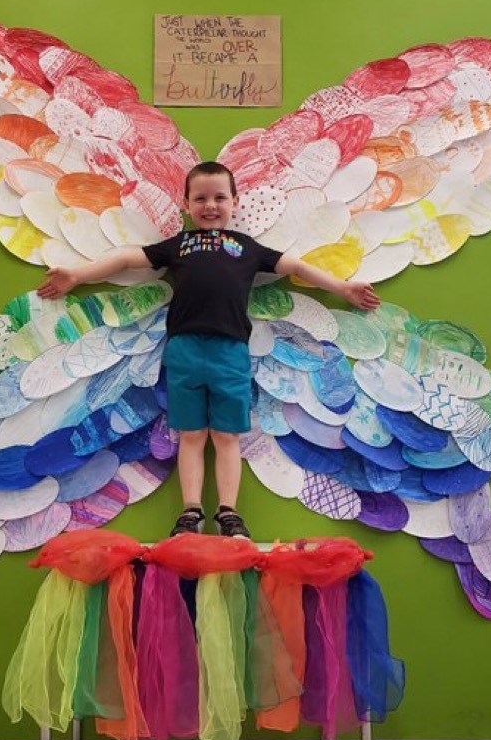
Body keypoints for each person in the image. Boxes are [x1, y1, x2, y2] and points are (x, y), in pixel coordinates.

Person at [37, 161, 379, 538]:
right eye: (200, 198)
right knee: (192, 434)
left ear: (235, 202)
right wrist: (77, 274)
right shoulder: (179, 246)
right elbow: (125, 259)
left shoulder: (248, 248)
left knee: (227, 435)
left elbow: (295, 266)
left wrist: (342, 288)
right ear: (186, 204)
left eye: (219, 197)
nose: (210, 205)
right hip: (183, 351)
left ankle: (229, 513)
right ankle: (190, 512)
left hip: (230, 353)